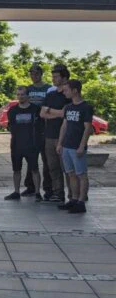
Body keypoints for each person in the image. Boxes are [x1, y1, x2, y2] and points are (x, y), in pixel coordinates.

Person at [57, 79, 93, 214]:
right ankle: (73, 199)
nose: (64, 92)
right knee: (71, 174)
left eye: (66, 90)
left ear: (75, 90)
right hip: (66, 145)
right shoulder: (69, 107)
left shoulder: (86, 107)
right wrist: (60, 143)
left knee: (81, 174)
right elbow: (64, 126)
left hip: (77, 147)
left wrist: (82, 146)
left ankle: (81, 202)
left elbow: (87, 128)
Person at [39, 64, 71, 204]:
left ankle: (73, 195)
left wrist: (50, 111)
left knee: (67, 168)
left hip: (62, 136)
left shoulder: (68, 95)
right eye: (52, 76)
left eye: (56, 76)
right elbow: (42, 114)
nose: (53, 79)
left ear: (64, 78)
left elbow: (65, 114)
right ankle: (58, 193)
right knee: (52, 167)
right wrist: (56, 113)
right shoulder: (50, 94)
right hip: (49, 135)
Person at [6, 85, 41, 201]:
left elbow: (40, 125)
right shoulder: (12, 110)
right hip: (16, 144)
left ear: (28, 96)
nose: (20, 97)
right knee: (16, 170)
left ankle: (37, 193)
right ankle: (16, 191)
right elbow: (10, 126)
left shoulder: (35, 109)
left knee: (34, 169)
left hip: (31, 144)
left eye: (23, 94)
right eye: (18, 95)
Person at [25, 63, 52, 196]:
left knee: (47, 159)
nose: (33, 76)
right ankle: (30, 186)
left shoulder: (48, 88)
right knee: (31, 158)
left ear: (41, 74)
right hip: (31, 127)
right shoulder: (28, 89)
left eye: (36, 73)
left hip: (45, 126)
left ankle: (48, 188)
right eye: (31, 73)